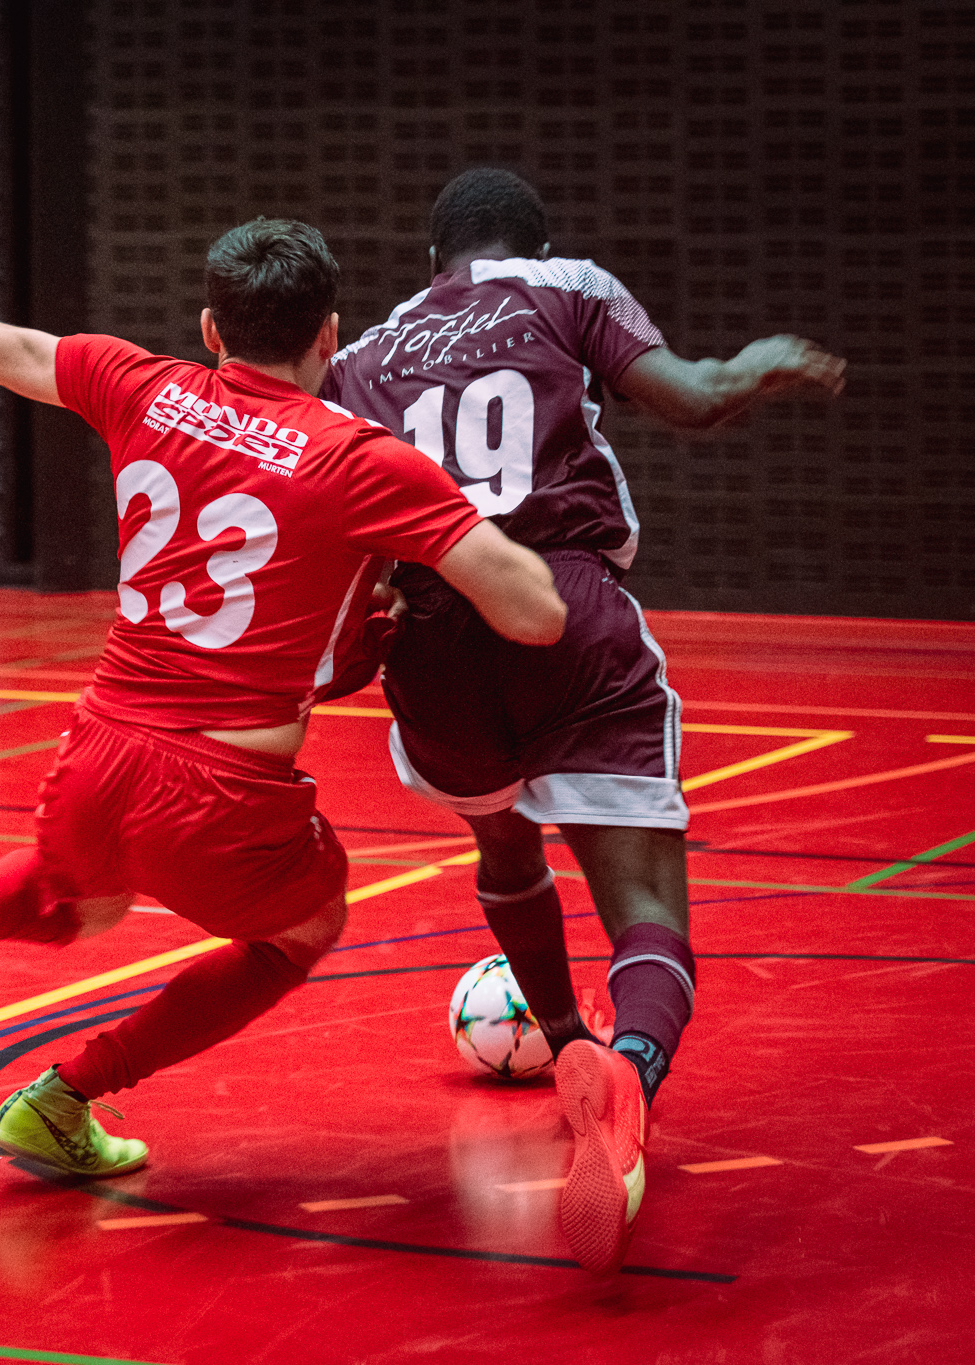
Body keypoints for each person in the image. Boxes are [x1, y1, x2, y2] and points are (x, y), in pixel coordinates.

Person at [0, 219, 566, 1180]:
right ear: (329, 337)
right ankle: (64, 1097)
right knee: (304, 926)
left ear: (211, 330)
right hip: (225, 789)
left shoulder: (138, 382)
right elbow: (535, 613)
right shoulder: (359, 459)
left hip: (97, 754)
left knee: (82, 904)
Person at [322, 168, 846, 1273]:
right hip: (561, 609)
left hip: (427, 634)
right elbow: (694, 396)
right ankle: (630, 1070)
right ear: (530, 242)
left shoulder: (363, 354)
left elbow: (331, 518)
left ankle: (564, 1044)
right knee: (645, 902)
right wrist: (756, 369)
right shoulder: (564, 289)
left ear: (432, 262)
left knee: (501, 842)